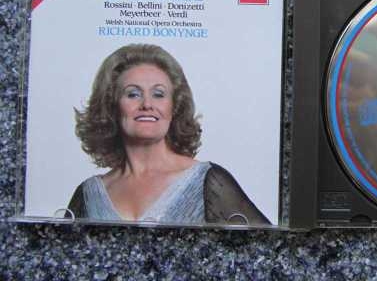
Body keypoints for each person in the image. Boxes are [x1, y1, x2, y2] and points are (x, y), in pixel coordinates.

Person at [67, 44, 269, 225]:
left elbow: (272, 249)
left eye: (159, 94)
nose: (147, 104)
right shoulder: (88, 194)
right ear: (112, 106)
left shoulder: (207, 181)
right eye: (133, 94)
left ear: (175, 107)